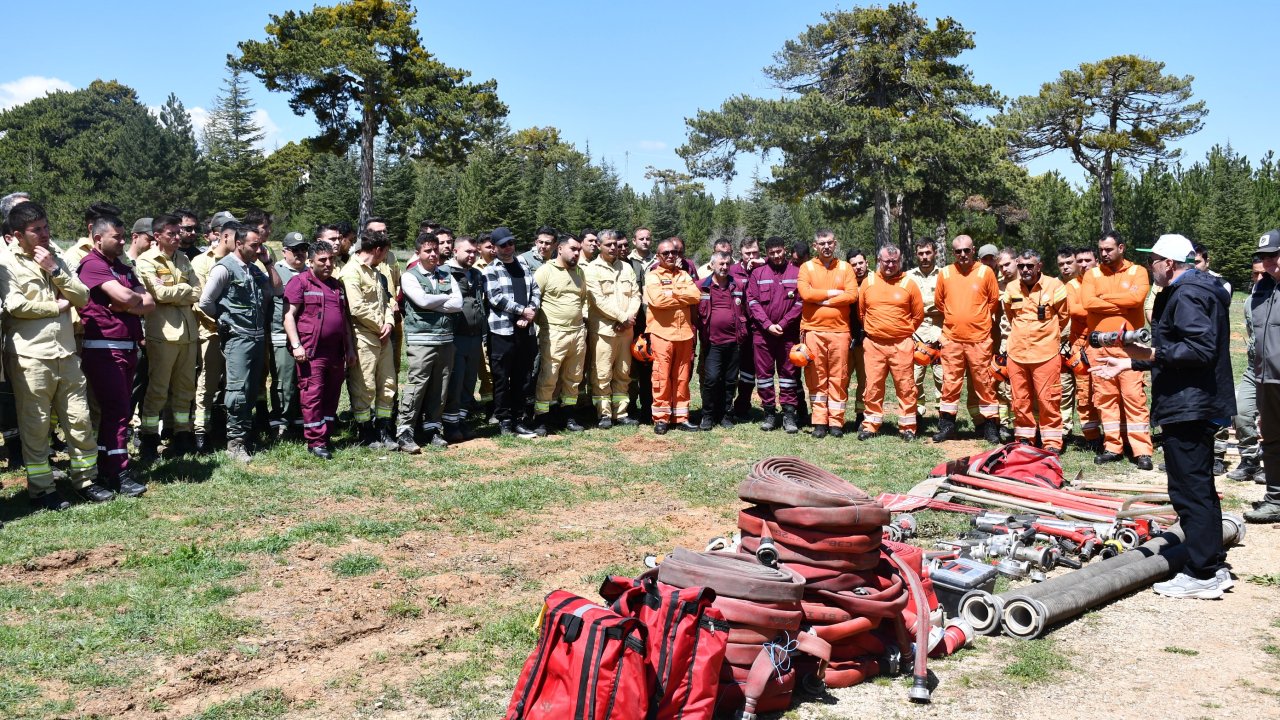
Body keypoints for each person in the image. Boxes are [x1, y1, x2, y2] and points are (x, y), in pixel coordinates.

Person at [1093, 234, 1235, 596]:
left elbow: (1198, 350)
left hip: (1189, 405)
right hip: (1193, 401)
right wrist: (1131, 361)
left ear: (1169, 263)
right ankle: (1210, 562)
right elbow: (1179, 348)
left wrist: (1150, 354)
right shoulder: (1197, 289)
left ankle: (1203, 573)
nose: (1149, 266)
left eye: (1152, 260)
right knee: (1198, 486)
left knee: (1189, 490)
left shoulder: (1187, 294)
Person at [0, 201, 106, 509]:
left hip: (66, 352)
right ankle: (42, 489)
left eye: (46, 227)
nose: (45, 234)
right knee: (36, 426)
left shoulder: (55, 257)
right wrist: (56, 306)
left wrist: (54, 270)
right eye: (37, 230)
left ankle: (86, 480)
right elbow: (15, 306)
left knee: (79, 419)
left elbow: (82, 296)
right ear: (18, 235)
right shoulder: (6, 263)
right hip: (31, 357)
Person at [78, 214, 154, 496]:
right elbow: (127, 297)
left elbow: (149, 302)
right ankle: (118, 471)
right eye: (117, 237)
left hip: (126, 346)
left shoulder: (121, 267)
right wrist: (129, 300)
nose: (123, 242)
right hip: (104, 348)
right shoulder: (92, 265)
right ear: (98, 238)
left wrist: (126, 303)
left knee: (118, 411)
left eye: (124, 236)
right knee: (117, 410)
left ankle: (108, 467)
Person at [198, 224, 281, 462]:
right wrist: (225, 321)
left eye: (260, 245)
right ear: (238, 244)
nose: (258, 249)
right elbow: (206, 301)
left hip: (257, 337)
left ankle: (245, 434)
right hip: (238, 338)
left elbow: (277, 290)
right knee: (237, 391)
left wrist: (268, 263)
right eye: (254, 245)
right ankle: (235, 443)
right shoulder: (224, 268)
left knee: (252, 389)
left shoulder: (255, 269)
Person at [1081, 232, 1153, 469]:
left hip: (1130, 349)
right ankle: (1113, 447)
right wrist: (1121, 304)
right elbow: (1088, 303)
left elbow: (1136, 299)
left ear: (1121, 248)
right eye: (1101, 249)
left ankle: (1142, 450)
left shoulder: (1138, 271)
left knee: (1134, 397)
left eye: (1109, 249)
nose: (1103, 254)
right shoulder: (1092, 274)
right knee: (1105, 399)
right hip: (1100, 348)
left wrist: (1103, 299)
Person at [134, 212, 202, 461]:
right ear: (157, 236)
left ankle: (181, 434)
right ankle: (149, 437)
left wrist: (179, 291)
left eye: (178, 233)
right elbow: (158, 294)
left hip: (187, 334)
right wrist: (183, 290)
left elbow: (198, 291)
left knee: (185, 388)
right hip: (163, 334)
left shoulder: (183, 258)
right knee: (158, 390)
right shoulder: (146, 260)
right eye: (171, 234)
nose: (177, 238)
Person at [283, 240, 354, 460]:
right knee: (312, 395)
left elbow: (345, 321)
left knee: (332, 395)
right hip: (311, 352)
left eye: (331, 259)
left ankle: (327, 434)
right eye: (322, 260)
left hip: (336, 352)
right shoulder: (300, 282)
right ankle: (316, 441)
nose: (328, 264)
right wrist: (296, 345)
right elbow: (288, 316)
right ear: (310, 261)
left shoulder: (337, 286)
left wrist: (350, 349)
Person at [932, 234, 1001, 444]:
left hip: (979, 340)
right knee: (950, 383)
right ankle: (947, 426)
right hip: (952, 339)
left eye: (966, 250)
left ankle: (990, 428)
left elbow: (993, 301)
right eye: (958, 251)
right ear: (953, 252)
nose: (963, 254)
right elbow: (940, 303)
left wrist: (976, 320)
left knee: (984, 383)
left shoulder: (985, 272)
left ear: (973, 250)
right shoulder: (945, 273)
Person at [397, 233, 462, 451]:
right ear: (418, 253)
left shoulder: (446, 274)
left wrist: (434, 302)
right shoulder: (409, 276)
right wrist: (445, 299)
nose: (433, 254)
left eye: (435, 249)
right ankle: (405, 431)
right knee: (417, 385)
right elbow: (422, 301)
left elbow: (458, 303)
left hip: (446, 340)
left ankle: (432, 428)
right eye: (428, 250)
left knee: (440, 387)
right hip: (421, 341)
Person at [1004, 250, 1070, 453]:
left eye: (1030, 266)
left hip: (1046, 354)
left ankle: (1051, 442)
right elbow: (1010, 315)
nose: (1025, 269)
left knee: (1048, 399)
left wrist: (1048, 335)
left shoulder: (1054, 286)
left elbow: (1064, 316)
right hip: (1017, 354)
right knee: (1020, 400)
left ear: (1039, 266)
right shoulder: (1012, 287)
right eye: (1021, 266)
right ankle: (1025, 439)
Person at [338, 229, 398, 449]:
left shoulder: (376, 271)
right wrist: (381, 325)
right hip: (363, 336)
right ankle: (365, 432)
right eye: (385, 253)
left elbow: (387, 301)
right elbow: (356, 308)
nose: (385, 257)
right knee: (364, 386)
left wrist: (389, 322)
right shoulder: (351, 271)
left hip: (383, 335)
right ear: (378, 250)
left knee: (388, 383)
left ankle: (384, 429)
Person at [797, 230, 858, 438]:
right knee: (816, 377)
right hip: (813, 331)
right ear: (815, 246)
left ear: (835, 243)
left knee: (839, 377)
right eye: (822, 243)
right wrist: (833, 293)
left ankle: (836, 423)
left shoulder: (845, 267)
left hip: (840, 332)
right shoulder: (806, 267)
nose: (826, 247)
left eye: (829, 243)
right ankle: (819, 422)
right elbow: (806, 294)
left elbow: (852, 295)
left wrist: (822, 301)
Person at [859, 245, 924, 441]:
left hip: (901, 344)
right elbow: (862, 313)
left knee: (906, 386)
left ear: (900, 262)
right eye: (886, 261)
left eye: (894, 262)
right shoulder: (868, 281)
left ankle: (908, 427)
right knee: (873, 386)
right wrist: (876, 329)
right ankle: (871, 425)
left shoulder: (909, 283)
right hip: (874, 344)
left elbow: (918, 315)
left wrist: (900, 330)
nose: (890, 265)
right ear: (879, 260)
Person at [483, 227, 541, 437]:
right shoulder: (490, 270)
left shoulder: (523, 266)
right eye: (503, 245)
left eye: (511, 243)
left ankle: (518, 418)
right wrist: (522, 311)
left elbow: (536, 291)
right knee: (501, 378)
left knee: (522, 377)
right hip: (502, 332)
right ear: (495, 248)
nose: (508, 248)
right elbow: (495, 298)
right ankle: (504, 420)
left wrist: (530, 312)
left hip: (525, 331)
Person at [529, 235, 588, 435]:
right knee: (549, 377)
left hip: (577, 333)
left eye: (579, 249)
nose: (577, 253)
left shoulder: (579, 272)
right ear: (560, 249)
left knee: (574, 377)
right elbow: (534, 299)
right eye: (573, 249)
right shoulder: (545, 271)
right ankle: (542, 418)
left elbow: (582, 299)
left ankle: (568, 415)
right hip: (553, 333)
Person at [584, 229, 640, 429]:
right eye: (608, 244)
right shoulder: (591, 269)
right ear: (599, 246)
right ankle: (604, 414)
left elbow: (636, 295)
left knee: (623, 372)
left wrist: (628, 318)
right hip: (604, 331)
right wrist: (622, 317)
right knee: (602, 373)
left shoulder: (626, 267)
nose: (613, 248)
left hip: (625, 331)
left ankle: (621, 412)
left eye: (615, 244)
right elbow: (598, 300)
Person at [644, 238, 701, 433]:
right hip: (662, 334)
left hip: (684, 334)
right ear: (658, 256)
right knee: (661, 376)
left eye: (674, 252)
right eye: (666, 253)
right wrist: (681, 295)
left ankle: (681, 417)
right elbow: (658, 301)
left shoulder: (684, 274)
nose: (670, 256)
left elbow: (695, 296)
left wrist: (671, 292)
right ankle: (661, 418)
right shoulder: (653, 276)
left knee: (682, 377)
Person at [190, 219, 237, 453]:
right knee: (207, 384)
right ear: (224, 237)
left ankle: (229, 428)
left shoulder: (241, 261)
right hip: (211, 333)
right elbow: (200, 301)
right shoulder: (201, 262)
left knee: (233, 384)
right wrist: (220, 323)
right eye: (237, 238)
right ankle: (201, 430)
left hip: (237, 335)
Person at [748, 236, 804, 433]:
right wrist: (767, 325)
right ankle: (769, 413)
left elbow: (800, 302)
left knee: (789, 375)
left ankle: (789, 414)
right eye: (772, 253)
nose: (776, 256)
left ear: (784, 250)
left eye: (779, 251)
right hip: (763, 335)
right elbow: (752, 301)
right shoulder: (758, 273)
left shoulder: (796, 273)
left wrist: (783, 323)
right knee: (764, 375)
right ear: (767, 253)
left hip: (788, 334)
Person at [1247, 230, 1280, 523]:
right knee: (1271, 439)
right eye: (1264, 257)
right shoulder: (1261, 288)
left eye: (1275, 255)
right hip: (1266, 378)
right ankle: (1275, 499)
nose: (1269, 261)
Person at [442, 236, 488, 442]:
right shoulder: (445, 273)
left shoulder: (476, 274)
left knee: (469, 382)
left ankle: (462, 420)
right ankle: (450, 425)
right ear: (455, 251)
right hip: (455, 336)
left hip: (474, 336)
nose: (472, 255)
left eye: (474, 252)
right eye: (467, 251)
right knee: (455, 382)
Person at [697, 251, 747, 430]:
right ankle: (708, 415)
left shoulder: (738, 285)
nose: (725, 267)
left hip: (734, 342)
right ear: (712, 265)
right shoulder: (701, 286)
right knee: (711, 379)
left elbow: (746, 309)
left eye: (727, 264)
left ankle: (726, 414)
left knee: (730, 380)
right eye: (721, 264)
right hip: (712, 343)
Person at [1226, 257, 1266, 482]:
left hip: (1275, 370)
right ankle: (1250, 460)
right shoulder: (1250, 301)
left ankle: (1272, 463)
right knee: (1241, 411)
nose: (1258, 278)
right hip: (1254, 368)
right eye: (1254, 274)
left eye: (1263, 274)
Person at [269, 232, 309, 440]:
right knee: (283, 380)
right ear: (285, 252)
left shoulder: (310, 272)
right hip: (280, 334)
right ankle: (281, 421)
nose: (300, 253)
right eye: (295, 250)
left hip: (306, 335)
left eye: (303, 249)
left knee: (304, 379)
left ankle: (300, 419)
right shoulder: (275, 272)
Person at [1066, 246, 1103, 450]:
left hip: (1105, 344)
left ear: (1096, 260)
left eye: (1087, 260)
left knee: (1107, 391)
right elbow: (1074, 310)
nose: (1083, 264)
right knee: (1084, 393)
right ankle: (1092, 437)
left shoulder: (1105, 279)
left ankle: (1116, 436)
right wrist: (1103, 307)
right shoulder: (1072, 285)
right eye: (1079, 261)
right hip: (1080, 346)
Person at [906, 238, 942, 426]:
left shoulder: (944, 275)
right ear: (916, 255)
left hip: (940, 332)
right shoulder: (908, 277)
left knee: (943, 378)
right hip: (916, 333)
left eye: (928, 252)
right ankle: (917, 414)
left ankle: (944, 417)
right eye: (921, 253)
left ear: (935, 252)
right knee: (914, 378)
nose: (925, 257)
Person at [727, 237, 764, 420]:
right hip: (737, 328)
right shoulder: (732, 271)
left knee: (750, 369)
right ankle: (725, 406)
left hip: (760, 326)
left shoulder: (766, 268)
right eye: (747, 253)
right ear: (740, 254)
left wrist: (760, 266)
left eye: (754, 252)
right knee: (732, 368)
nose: (751, 256)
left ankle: (743, 405)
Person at [627, 228, 654, 421]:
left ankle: (647, 408)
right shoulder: (627, 262)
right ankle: (629, 407)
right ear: (634, 241)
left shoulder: (658, 261)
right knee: (630, 369)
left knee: (648, 368)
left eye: (648, 238)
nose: (645, 241)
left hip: (652, 323)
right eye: (641, 238)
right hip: (633, 322)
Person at [1055, 246, 1080, 438]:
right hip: (1060, 345)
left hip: (1083, 343)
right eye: (1061, 264)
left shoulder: (1086, 284)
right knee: (1063, 388)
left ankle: (1093, 433)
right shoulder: (1054, 286)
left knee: (1087, 391)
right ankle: (1064, 430)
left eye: (1069, 262)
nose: (1065, 267)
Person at [845, 247, 870, 428]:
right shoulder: (844, 283)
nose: (858, 267)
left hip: (866, 340)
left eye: (861, 263)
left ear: (867, 263)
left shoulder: (875, 282)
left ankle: (861, 415)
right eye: (854, 264)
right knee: (841, 379)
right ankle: (836, 415)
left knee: (865, 380)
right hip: (846, 338)